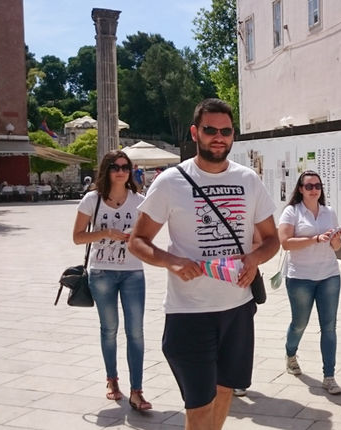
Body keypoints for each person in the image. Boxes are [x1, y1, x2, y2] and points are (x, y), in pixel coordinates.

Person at [128, 98, 279, 430]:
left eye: (226, 131)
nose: (218, 137)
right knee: (198, 405)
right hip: (188, 312)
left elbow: (271, 239)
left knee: (225, 390)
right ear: (195, 132)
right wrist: (172, 261)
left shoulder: (249, 180)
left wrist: (254, 258)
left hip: (238, 308)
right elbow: (137, 240)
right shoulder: (171, 181)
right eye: (210, 130)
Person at [72, 150, 151, 411]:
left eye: (125, 166)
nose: (121, 171)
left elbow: (147, 236)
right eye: (115, 167)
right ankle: (112, 380)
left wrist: (135, 239)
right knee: (109, 330)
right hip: (102, 272)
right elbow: (78, 237)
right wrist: (106, 232)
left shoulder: (140, 200)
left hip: (132, 272)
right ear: (106, 170)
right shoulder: (91, 200)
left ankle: (137, 391)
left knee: (136, 332)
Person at [278, 170, 341, 394]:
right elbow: (285, 243)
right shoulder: (291, 212)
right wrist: (314, 239)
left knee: (329, 327)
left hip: (329, 275)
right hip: (300, 277)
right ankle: (290, 354)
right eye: (309, 186)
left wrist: (335, 239)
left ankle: (329, 376)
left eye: (317, 185)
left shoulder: (329, 212)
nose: (314, 189)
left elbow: (336, 248)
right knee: (300, 323)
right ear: (300, 189)